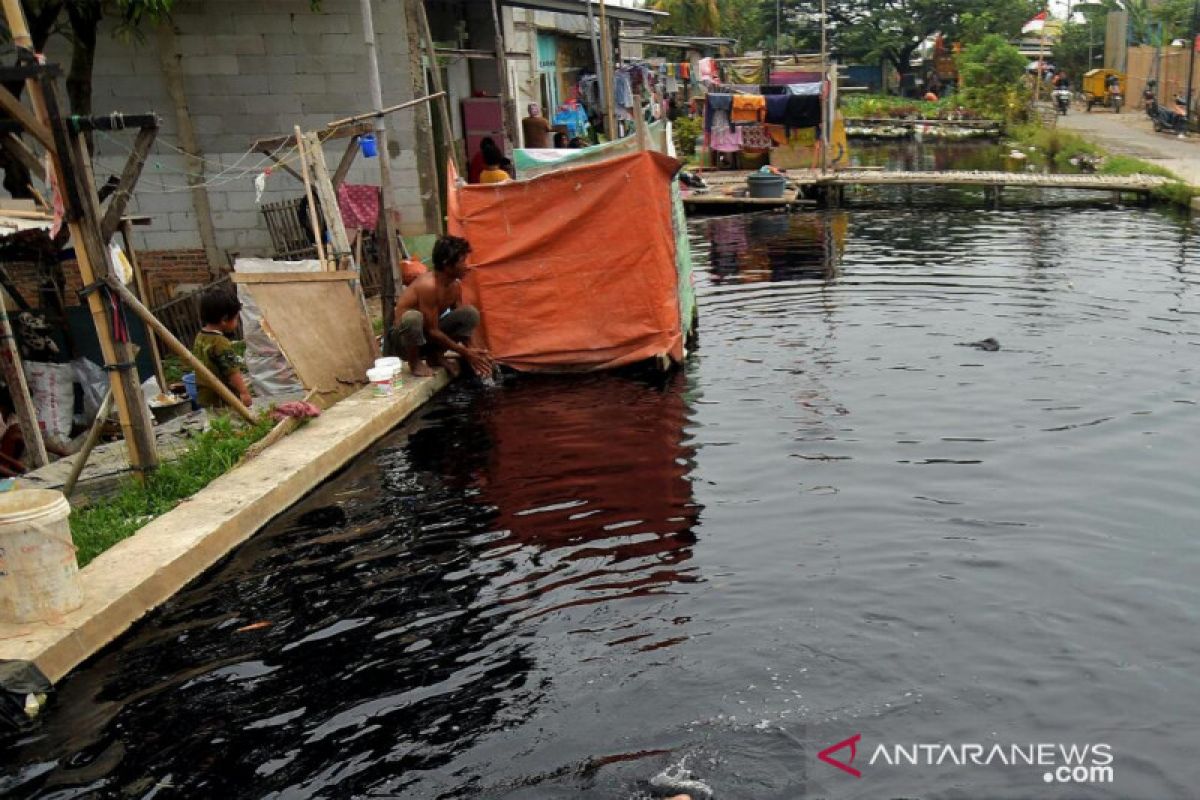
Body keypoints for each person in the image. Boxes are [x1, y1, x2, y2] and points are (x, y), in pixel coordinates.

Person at [388, 235, 495, 379]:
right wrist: (465, 353)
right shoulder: (429, 286)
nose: (467, 266)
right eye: (462, 261)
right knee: (413, 318)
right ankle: (415, 363)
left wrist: (475, 353)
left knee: (469, 313)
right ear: (447, 264)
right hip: (403, 343)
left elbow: (463, 326)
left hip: (427, 339)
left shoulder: (455, 286)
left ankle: (435, 356)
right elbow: (431, 330)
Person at [192, 287, 253, 410]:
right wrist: (244, 393)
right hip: (224, 399)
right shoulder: (220, 342)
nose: (237, 322)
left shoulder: (200, 337)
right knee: (233, 425)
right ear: (224, 319)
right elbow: (232, 372)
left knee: (216, 424)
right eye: (236, 318)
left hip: (205, 396)